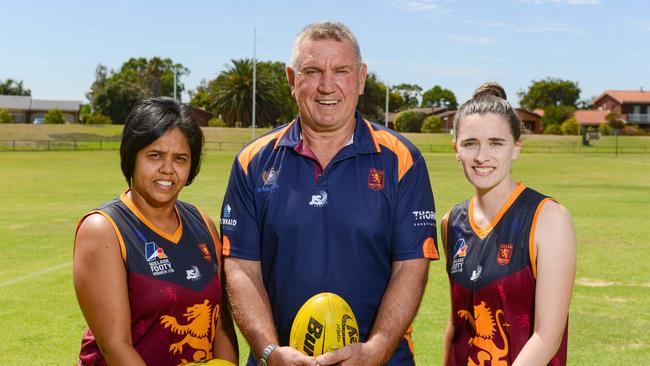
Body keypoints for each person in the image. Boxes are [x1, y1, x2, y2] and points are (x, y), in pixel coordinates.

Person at [221, 21, 439, 366]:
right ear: (292, 79)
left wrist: (376, 350)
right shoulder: (253, 161)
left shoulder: (401, 159)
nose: (326, 85)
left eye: (341, 70)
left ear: (361, 78)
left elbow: (410, 266)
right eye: (312, 71)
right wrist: (268, 351)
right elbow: (241, 267)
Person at [73, 97, 238, 366]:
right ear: (132, 156)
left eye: (180, 158)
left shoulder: (203, 224)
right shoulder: (103, 229)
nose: (167, 169)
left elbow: (220, 327)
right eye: (155, 155)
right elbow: (115, 347)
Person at [441, 83, 576, 366]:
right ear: (456, 149)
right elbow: (456, 323)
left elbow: (547, 336)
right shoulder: (451, 222)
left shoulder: (548, 218)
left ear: (516, 148)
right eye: (470, 143)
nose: (481, 156)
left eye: (496, 143)